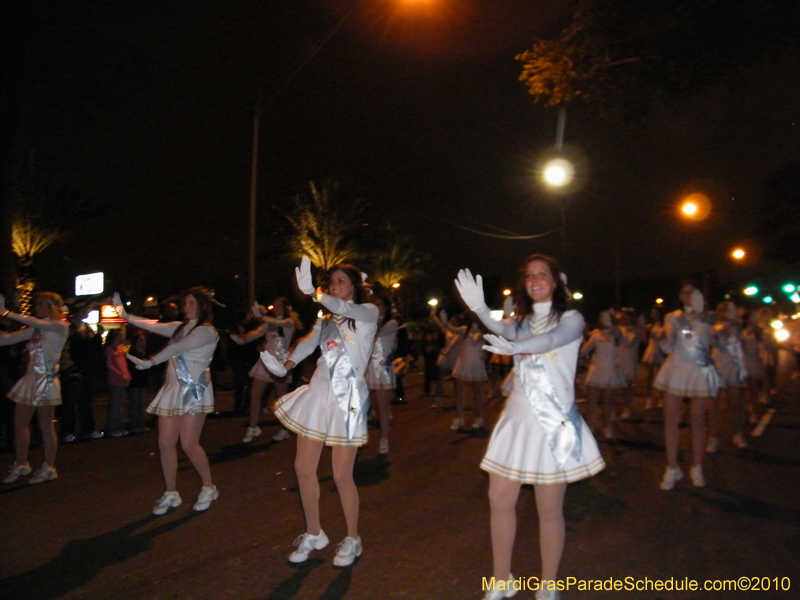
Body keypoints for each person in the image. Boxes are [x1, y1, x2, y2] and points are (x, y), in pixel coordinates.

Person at [455, 255, 605, 600]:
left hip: (553, 424)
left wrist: (518, 347)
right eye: (529, 276)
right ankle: (502, 577)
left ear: (556, 281)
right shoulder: (520, 322)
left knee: (549, 508)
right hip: (518, 421)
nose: (535, 280)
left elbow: (553, 340)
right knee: (499, 500)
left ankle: (549, 583)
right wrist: (480, 308)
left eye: (543, 275)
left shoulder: (571, 318)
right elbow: (502, 329)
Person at [259, 257, 378, 567]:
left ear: (354, 285)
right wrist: (284, 366)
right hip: (319, 391)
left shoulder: (367, 312)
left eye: (341, 281)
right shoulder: (325, 318)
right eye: (332, 282)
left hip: (349, 397)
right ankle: (314, 533)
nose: (335, 286)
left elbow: (347, 309)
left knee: (341, 474)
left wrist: (314, 293)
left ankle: (353, 538)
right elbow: (308, 343)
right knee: (303, 468)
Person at [113, 288, 220, 514]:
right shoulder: (182, 327)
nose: (187, 307)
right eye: (186, 303)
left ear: (203, 306)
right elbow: (153, 325)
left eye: (192, 303)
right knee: (165, 443)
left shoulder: (206, 331)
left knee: (189, 444)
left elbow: (176, 347)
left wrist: (150, 362)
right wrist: (126, 315)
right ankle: (171, 493)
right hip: (173, 389)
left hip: (193, 389)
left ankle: (209, 487)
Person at [653, 282, 721, 490]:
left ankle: (697, 466)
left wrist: (716, 334)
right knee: (670, 421)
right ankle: (672, 467)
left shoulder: (708, 318)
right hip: (676, 368)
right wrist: (663, 337)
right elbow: (667, 346)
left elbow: (714, 344)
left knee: (698, 420)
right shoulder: (672, 317)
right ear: (680, 296)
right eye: (684, 292)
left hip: (699, 369)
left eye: (693, 292)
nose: (688, 295)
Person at [0, 292, 70, 485]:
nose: (36, 307)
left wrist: (6, 313)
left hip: (46, 380)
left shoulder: (60, 326)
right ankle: (22, 463)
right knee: (20, 423)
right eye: (36, 304)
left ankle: (49, 467)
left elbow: (40, 324)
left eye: (40, 304)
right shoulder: (36, 328)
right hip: (31, 379)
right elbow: (8, 338)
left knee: (46, 425)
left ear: (51, 307)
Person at [231, 298, 296, 443]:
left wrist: (261, 316)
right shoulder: (269, 324)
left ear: (285, 308)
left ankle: (284, 428)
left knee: (281, 398)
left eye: (279, 305)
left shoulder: (288, 322)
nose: (276, 307)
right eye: (275, 305)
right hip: (266, 362)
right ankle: (253, 427)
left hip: (281, 363)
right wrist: (241, 337)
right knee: (255, 395)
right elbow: (254, 333)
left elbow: (279, 323)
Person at [434, 311, 488, 430]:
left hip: (476, 362)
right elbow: (453, 329)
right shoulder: (465, 329)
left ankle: (479, 417)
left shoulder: (484, 331)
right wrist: (444, 321)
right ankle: (459, 417)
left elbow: (476, 340)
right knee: (459, 391)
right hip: (463, 361)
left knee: (478, 392)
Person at [579, 310, 625, 439]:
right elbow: (584, 351)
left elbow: (621, 342)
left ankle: (607, 426)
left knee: (608, 401)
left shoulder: (617, 333)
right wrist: (581, 337)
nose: (605, 320)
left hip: (610, 370)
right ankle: (589, 426)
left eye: (607, 317)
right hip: (596, 370)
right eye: (603, 317)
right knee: (591, 401)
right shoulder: (595, 335)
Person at [709, 300, 747, 450]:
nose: (734, 310)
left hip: (734, 367)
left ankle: (738, 434)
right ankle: (713, 437)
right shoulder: (714, 326)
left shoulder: (736, 324)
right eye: (731, 309)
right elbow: (712, 340)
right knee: (714, 406)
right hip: (717, 367)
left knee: (735, 404)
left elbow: (734, 329)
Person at [365, 295, 398, 454]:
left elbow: (378, 332)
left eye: (379, 304)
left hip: (382, 368)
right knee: (360, 405)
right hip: (366, 367)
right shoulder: (367, 322)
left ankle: (384, 439)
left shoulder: (392, 323)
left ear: (385, 307)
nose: (375, 307)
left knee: (382, 407)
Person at [104, 328, 131, 437]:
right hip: (115, 379)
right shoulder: (110, 349)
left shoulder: (120, 348)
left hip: (123, 379)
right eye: (119, 336)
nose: (121, 338)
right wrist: (120, 373)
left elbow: (123, 364)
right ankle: (112, 428)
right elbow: (109, 364)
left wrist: (126, 374)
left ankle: (118, 426)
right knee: (115, 405)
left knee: (119, 404)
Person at [641, 306, 666, 409]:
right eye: (652, 313)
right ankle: (649, 398)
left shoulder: (665, 325)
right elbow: (644, 339)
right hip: (651, 350)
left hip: (662, 350)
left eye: (656, 313)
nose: (654, 315)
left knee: (662, 376)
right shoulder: (650, 326)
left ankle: (661, 398)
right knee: (649, 377)